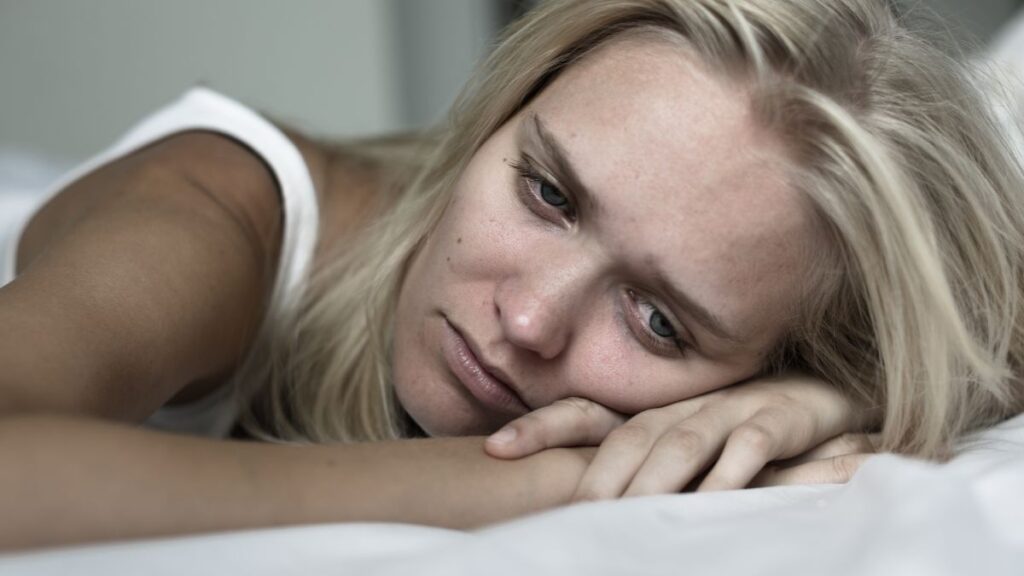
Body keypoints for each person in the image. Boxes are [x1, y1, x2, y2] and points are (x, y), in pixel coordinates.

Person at [1, 0, 1022, 551]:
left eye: (659, 322)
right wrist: (532, 483)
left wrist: (831, 393)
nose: (529, 319)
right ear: (499, 109)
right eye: (546, 193)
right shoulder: (216, 207)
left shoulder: (769, 371)